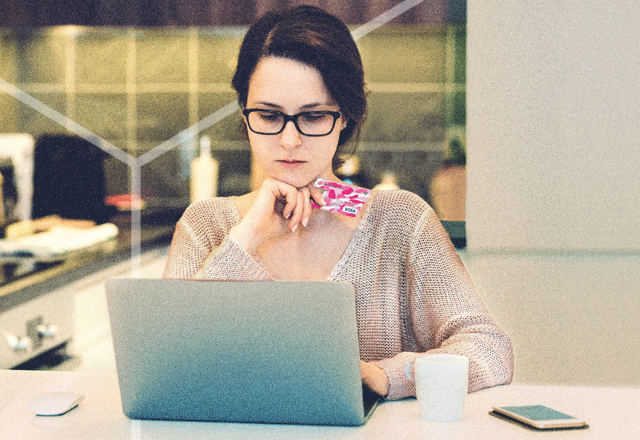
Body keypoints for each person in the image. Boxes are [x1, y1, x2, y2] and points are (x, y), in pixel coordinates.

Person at [163, 5, 514, 400]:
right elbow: (166, 365)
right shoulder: (205, 225)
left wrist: (384, 376)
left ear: (346, 115)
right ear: (245, 114)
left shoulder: (399, 221)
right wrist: (246, 237)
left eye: (312, 117)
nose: (290, 141)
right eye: (267, 115)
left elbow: (490, 349)